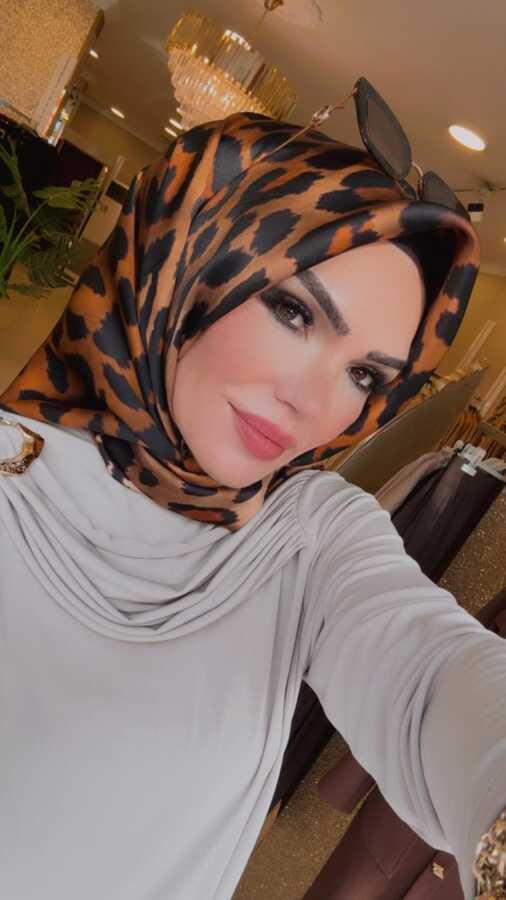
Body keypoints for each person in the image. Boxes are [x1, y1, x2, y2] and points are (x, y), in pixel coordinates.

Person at [0, 109, 504, 900]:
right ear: (184, 265)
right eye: (296, 313)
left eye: (365, 376)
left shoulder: (308, 533)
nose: (313, 402)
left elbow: (428, 673)